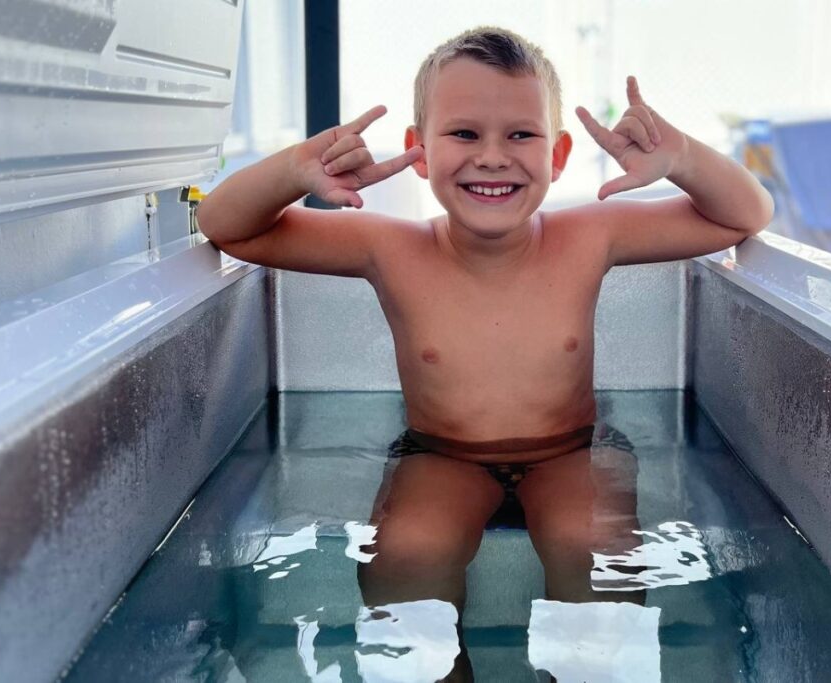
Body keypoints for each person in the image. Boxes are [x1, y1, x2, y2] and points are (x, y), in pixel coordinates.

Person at [198, 25, 772, 679]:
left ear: (557, 155)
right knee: (405, 555)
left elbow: (744, 214)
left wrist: (684, 158)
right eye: (464, 134)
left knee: (594, 549)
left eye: (521, 135)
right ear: (418, 150)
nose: (493, 157)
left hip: (570, 449)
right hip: (443, 455)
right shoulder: (390, 248)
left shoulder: (591, 234)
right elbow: (225, 225)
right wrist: (295, 168)